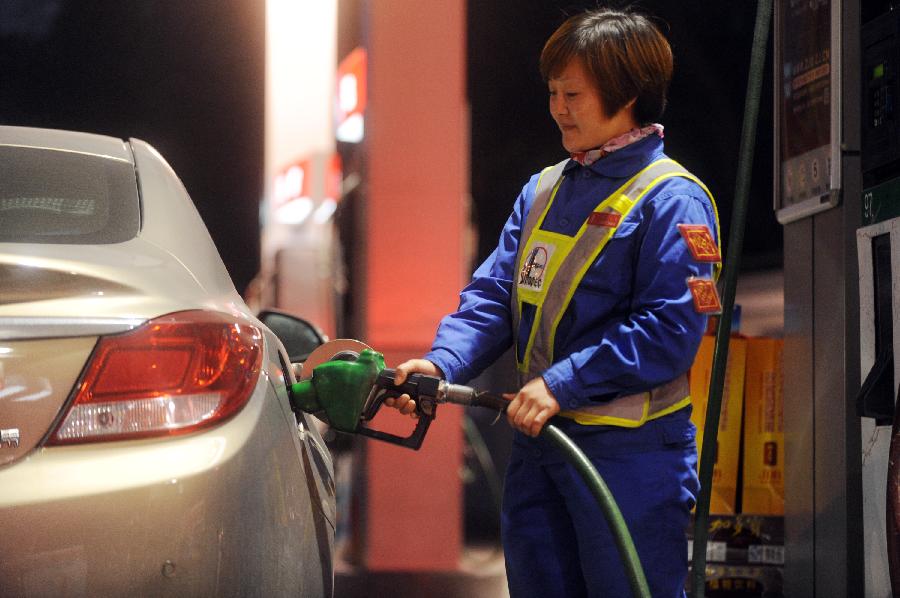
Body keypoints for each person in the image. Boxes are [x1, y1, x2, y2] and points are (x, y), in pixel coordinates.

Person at [387, 7, 720, 597]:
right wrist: (441, 364)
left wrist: (561, 384)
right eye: (553, 92)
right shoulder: (542, 190)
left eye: (574, 93)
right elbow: (493, 294)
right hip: (540, 448)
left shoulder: (673, 200)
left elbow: (670, 329)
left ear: (629, 95)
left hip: (631, 461)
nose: (558, 108)